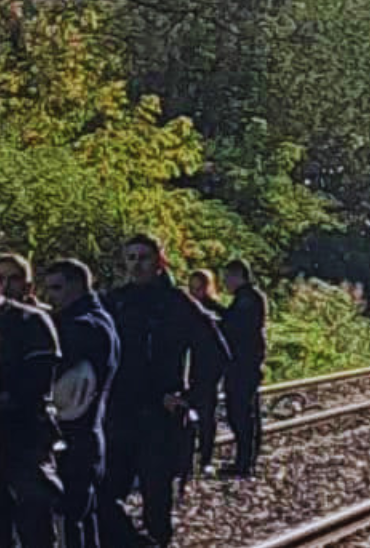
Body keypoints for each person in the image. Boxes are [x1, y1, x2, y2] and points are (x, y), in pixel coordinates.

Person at [98, 234, 230, 548]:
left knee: (156, 500)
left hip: (159, 416)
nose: (137, 265)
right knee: (105, 497)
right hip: (118, 413)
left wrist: (190, 396)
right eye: (131, 258)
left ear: (160, 262)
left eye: (143, 258)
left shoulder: (177, 303)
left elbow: (215, 353)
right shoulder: (115, 301)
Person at [0, 258, 62, 548]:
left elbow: (38, 382)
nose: (7, 285)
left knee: (34, 514)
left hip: (25, 434)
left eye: (13, 278)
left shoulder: (30, 321)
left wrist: (2, 399)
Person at [42, 259, 119, 548]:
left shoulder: (85, 326)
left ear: (77, 286)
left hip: (75, 434)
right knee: (83, 517)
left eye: (57, 288)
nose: (50, 296)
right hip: (87, 434)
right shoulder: (101, 320)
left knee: (71, 518)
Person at [220, 259, 266, 479]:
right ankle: (245, 460)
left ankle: (244, 462)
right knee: (245, 413)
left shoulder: (247, 300)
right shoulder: (248, 298)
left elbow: (235, 326)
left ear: (238, 276)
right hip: (246, 363)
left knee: (241, 413)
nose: (225, 282)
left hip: (243, 364)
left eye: (228, 277)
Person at [185, 270, 227, 479]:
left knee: (207, 416)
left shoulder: (215, 312)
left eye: (199, 287)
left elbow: (222, 348)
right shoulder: (184, 310)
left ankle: (206, 458)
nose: (195, 292)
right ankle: (186, 459)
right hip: (190, 371)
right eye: (192, 287)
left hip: (206, 371)